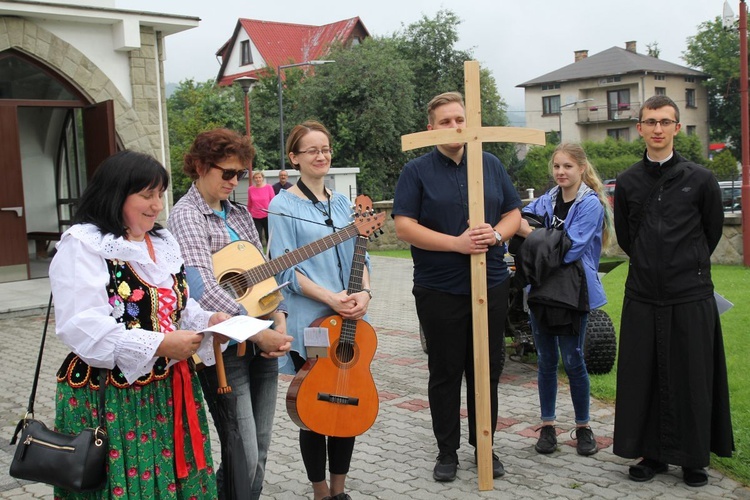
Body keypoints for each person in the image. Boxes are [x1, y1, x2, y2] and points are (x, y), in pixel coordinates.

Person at [50, 150, 230, 499]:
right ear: (116, 195)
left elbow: (177, 306)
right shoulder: (86, 244)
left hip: (169, 389)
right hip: (112, 394)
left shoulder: (161, 242)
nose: (156, 205)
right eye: (146, 195)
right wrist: (161, 345)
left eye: (160, 194)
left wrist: (209, 320)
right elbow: (81, 324)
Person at [392, 91, 521, 482]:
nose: (455, 127)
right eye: (445, 121)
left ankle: (486, 446)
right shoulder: (416, 171)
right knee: (446, 371)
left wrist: (496, 236)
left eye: (460, 119)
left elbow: (513, 212)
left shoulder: (491, 165)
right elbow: (404, 226)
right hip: (440, 288)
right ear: (430, 129)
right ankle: (446, 451)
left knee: (487, 368)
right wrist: (456, 244)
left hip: (492, 283)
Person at [612, 95, 733, 487]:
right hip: (644, 294)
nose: (658, 129)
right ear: (640, 129)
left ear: (678, 128)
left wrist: (684, 266)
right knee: (645, 376)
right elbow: (629, 239)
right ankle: (652, 455)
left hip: (690, 294)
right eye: (651, 122)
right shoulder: (629, 182)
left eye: (666, 122)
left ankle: (694, 458)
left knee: (693, 377)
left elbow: (711, 232)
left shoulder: (700, 179)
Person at [168, 128, 293, 500]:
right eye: (227, 173)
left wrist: (280, 316)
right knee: (244, 452)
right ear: (201, 166)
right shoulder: (186, 215)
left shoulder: (238, 214)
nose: (234, 181)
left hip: (263, 340)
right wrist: (257, 330)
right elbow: (203, 288)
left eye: (240, 174)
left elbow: (265, 272)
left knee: (261, 450)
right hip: (223, 352)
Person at [267, 120, 371, 500]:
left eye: (325, 148)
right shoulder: (282, 206)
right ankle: (320, 492)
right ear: (294, 158)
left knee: (347, 405)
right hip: (312, 322)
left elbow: (364, 256)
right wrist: (331, 298)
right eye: (311, 150)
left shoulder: (343, 202)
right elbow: (284, 267)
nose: (321, 155)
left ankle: (340, 491)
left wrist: (366, 296)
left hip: (350, 318)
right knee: (314, 409)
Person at [515, 143, 612, 457]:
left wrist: (535, 236)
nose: (561, 172)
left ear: (581, 168)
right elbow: (521, 224)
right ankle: (547, 426)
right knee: (545, 362)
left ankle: (583, 426)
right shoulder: (547, 199)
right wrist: (535, 235)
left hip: (575, 292)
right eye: (556, 166)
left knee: (573, 360)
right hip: (541, 290)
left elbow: (570, 248)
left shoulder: (591, 204)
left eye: (568, 166)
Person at [248, 170, 275, 245]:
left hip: (267, 216)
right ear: (254, 179)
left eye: (259, 177)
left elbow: (273, 201)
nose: (258, 179)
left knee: (269, 236)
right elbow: (249, 203)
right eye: (256, 178)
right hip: (255, 216)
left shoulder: (269, 187)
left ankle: (271, 255)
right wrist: (248, 214)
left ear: (262, 178)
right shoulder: (250, 189)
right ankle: (260, 254)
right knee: (257, 236)